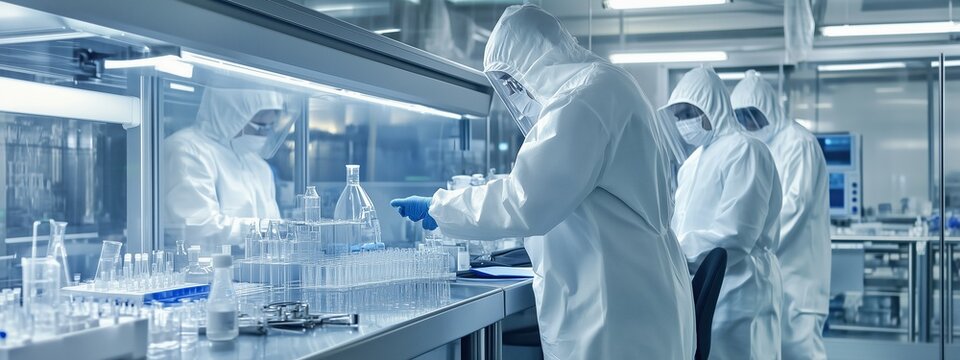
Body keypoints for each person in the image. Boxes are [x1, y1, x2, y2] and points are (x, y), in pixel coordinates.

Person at [390, 5, 695, 359]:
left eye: (510, 79)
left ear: (533, 60)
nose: (514, 91)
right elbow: (549, 183)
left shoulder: (583, 97)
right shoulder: (606, 84)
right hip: (633, 288)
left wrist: (440, 208)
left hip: (614, 307)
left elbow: (524, 200)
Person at [659, 67, 783, 360]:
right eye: (678, 115)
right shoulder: (692, 163)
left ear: (711, 107)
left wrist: (671, 253)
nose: (683, 122)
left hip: (741, 287)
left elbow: (737, 234)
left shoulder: (746, 150)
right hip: (704, 283)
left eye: (689, 112)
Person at [731, 70, 830, 360]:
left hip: (799, 279)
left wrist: (750, 241)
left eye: (754, 115)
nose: (749, 124)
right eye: (741, 117)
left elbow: (794, 207)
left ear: (770, 109)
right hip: (770, 275)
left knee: (802, 352)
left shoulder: (798, 143)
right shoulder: (756, 147)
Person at [164, 88, 291, 249]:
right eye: (259, 126)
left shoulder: (258, 165)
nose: (263, 135)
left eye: (269, 126)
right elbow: (199, 228)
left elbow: (275, 230)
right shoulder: (187, 150)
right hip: (204, 271)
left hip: (253, 271)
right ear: (231, 115)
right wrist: (265, 228)